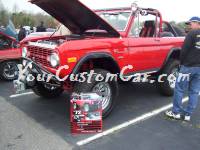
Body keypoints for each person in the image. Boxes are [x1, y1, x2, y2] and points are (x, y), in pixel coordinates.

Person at [165, 16, 200, 121]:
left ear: (197, 23)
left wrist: (181, 63)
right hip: (199, 68)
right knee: (194, 91)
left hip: (188, 67)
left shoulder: (191, 34)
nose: (189, 26)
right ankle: (188, 115)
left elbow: (183, 51)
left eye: (190, 24)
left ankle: (176, 112)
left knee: (179, 89)